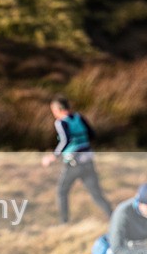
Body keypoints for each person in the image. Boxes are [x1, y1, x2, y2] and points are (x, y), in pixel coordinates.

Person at [42, 95, 112, 224]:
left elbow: (65, 140)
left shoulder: (61, 122)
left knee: (62, 192)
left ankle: (64, 223)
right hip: (88, 160)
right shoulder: (79, 117)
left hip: (73, 163)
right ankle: (113, 218)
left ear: (57, 110)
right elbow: (92, 134)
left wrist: (53, 156)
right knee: (96, 194)